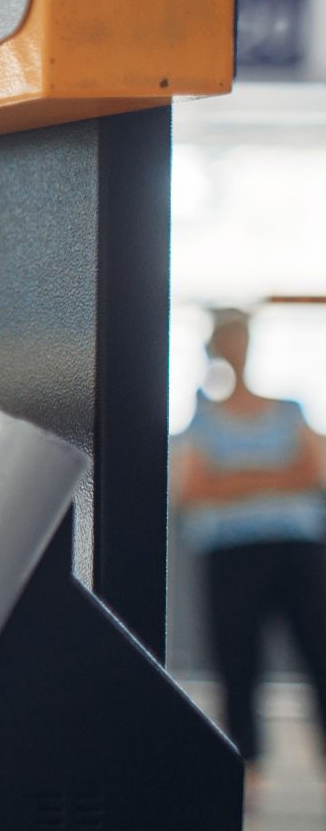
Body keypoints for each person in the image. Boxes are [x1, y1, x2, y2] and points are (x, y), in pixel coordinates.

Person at [176, 307, 326, 802]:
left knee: (319, 649)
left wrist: (234, 477)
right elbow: (193, 490)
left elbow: (313, 474)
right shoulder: (202, 420)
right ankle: (248, 768)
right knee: (236, 658)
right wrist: (275, 473)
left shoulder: (289, 410)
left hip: (297, 548)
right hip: (231, 553)